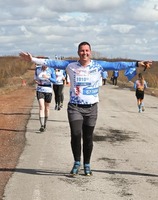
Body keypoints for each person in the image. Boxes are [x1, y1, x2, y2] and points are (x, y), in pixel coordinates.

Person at [19, 41, 151, 176]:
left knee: (88, 138)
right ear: (78, 53)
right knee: (76, 135)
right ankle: (77, 162)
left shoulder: (98, 65)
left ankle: (87, 164)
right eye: (82, 51)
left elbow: (118, 64)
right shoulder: (70, 65)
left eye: (87, 50)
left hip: (91, 108)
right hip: (75, 107)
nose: (84, 53)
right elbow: (51, 62)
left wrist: (136, 63)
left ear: (90, 52)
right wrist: (32, 59)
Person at [34, 64, 57, 132]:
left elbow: (54, 80)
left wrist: (48, 77)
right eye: (43, 65)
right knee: (41, 107)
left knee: (47, 108)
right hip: (40, 89)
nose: (44, 67)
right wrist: (35, 80)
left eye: (46, 65)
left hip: (48, 90)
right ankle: (41, 125)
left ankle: (45, 124)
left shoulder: (51, 70)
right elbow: (35, 77)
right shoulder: (37, 69)